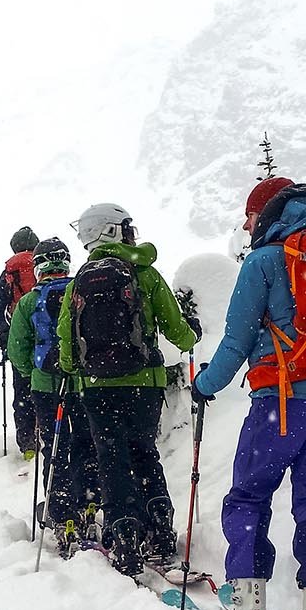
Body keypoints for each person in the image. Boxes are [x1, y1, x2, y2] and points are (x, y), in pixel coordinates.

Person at [191, 178, 306, 610]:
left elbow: (235, 344)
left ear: (268, 213)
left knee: (248, 497)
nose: (246, 224)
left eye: (250, 215)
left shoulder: (263, 262)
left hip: (279, 402)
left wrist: (204, 385)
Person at [57, 203, 199, 578]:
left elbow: (66, 348)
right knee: (144, 452)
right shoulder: (144, 274)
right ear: (114, 231)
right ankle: (160, 526)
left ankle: (124, 535)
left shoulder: (77, 285)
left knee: (111, 459)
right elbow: (177, 330)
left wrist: (80, 370)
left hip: (97, 390)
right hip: (144, 384)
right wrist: (192, 334)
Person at [7, 237, 100, 551]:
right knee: (86, 443)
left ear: (38, 267)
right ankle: (89, 500)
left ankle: (61, 513)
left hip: (47, 386)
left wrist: (32, 373)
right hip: (83, 383)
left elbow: (17, 349)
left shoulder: (29, 302)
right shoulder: (81, 291)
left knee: (55, 446)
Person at [0, 225, 41, 460]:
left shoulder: (9, 272)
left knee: (22, 391)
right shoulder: (45, 264)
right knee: (50, 384)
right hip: (47, 338)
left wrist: (6, 332)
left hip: (20, 339)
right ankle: (53, 430)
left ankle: (28, 442)